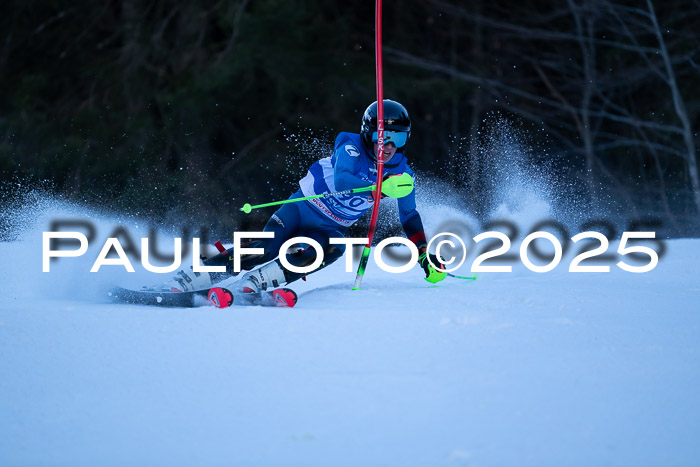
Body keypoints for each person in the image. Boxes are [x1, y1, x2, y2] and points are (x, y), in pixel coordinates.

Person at [164, 99, 446, 294]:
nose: (388, 147)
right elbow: (342, 179)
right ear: (367, 132)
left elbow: (409, 215)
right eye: (383, 136)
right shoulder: (349, 145)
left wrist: (423, 253)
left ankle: (260, 282)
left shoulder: (402, 173)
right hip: (301, 209)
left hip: (330, 227)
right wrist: (378, 187)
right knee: (267, 248)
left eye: (398, 139)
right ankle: (197, 275)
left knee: (337, 248)